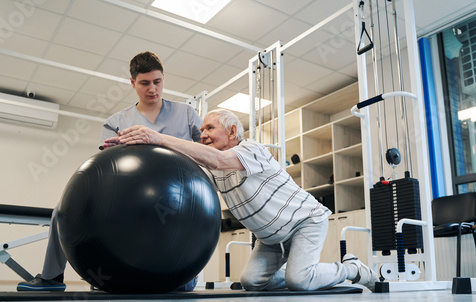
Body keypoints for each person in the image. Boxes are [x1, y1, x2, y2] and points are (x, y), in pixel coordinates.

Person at [104, 108, 379, 292]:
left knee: (299, 281)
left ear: (233, 132)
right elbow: (184, 165)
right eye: (202, 129)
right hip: (271, 238)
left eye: (210, 128)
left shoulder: (252, 150)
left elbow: (219, 160)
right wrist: (138, 145)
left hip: (305, 222)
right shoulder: (214, 168)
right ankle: (305, 270)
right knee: (251, 282)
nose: (203, 134)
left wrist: (158, 136)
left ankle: (352, 269)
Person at [17, 51, 203, 292]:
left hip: (177, 195)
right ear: (132, 82)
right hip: (131, 194)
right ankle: (53, 277)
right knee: (62, 210)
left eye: (157, 82)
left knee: (173, 240)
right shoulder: (116, 121)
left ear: (163, 79)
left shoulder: (186, 114)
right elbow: (105, 163)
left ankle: (183, 274)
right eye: (144, 83)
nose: (152, 89)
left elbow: (206, 151)